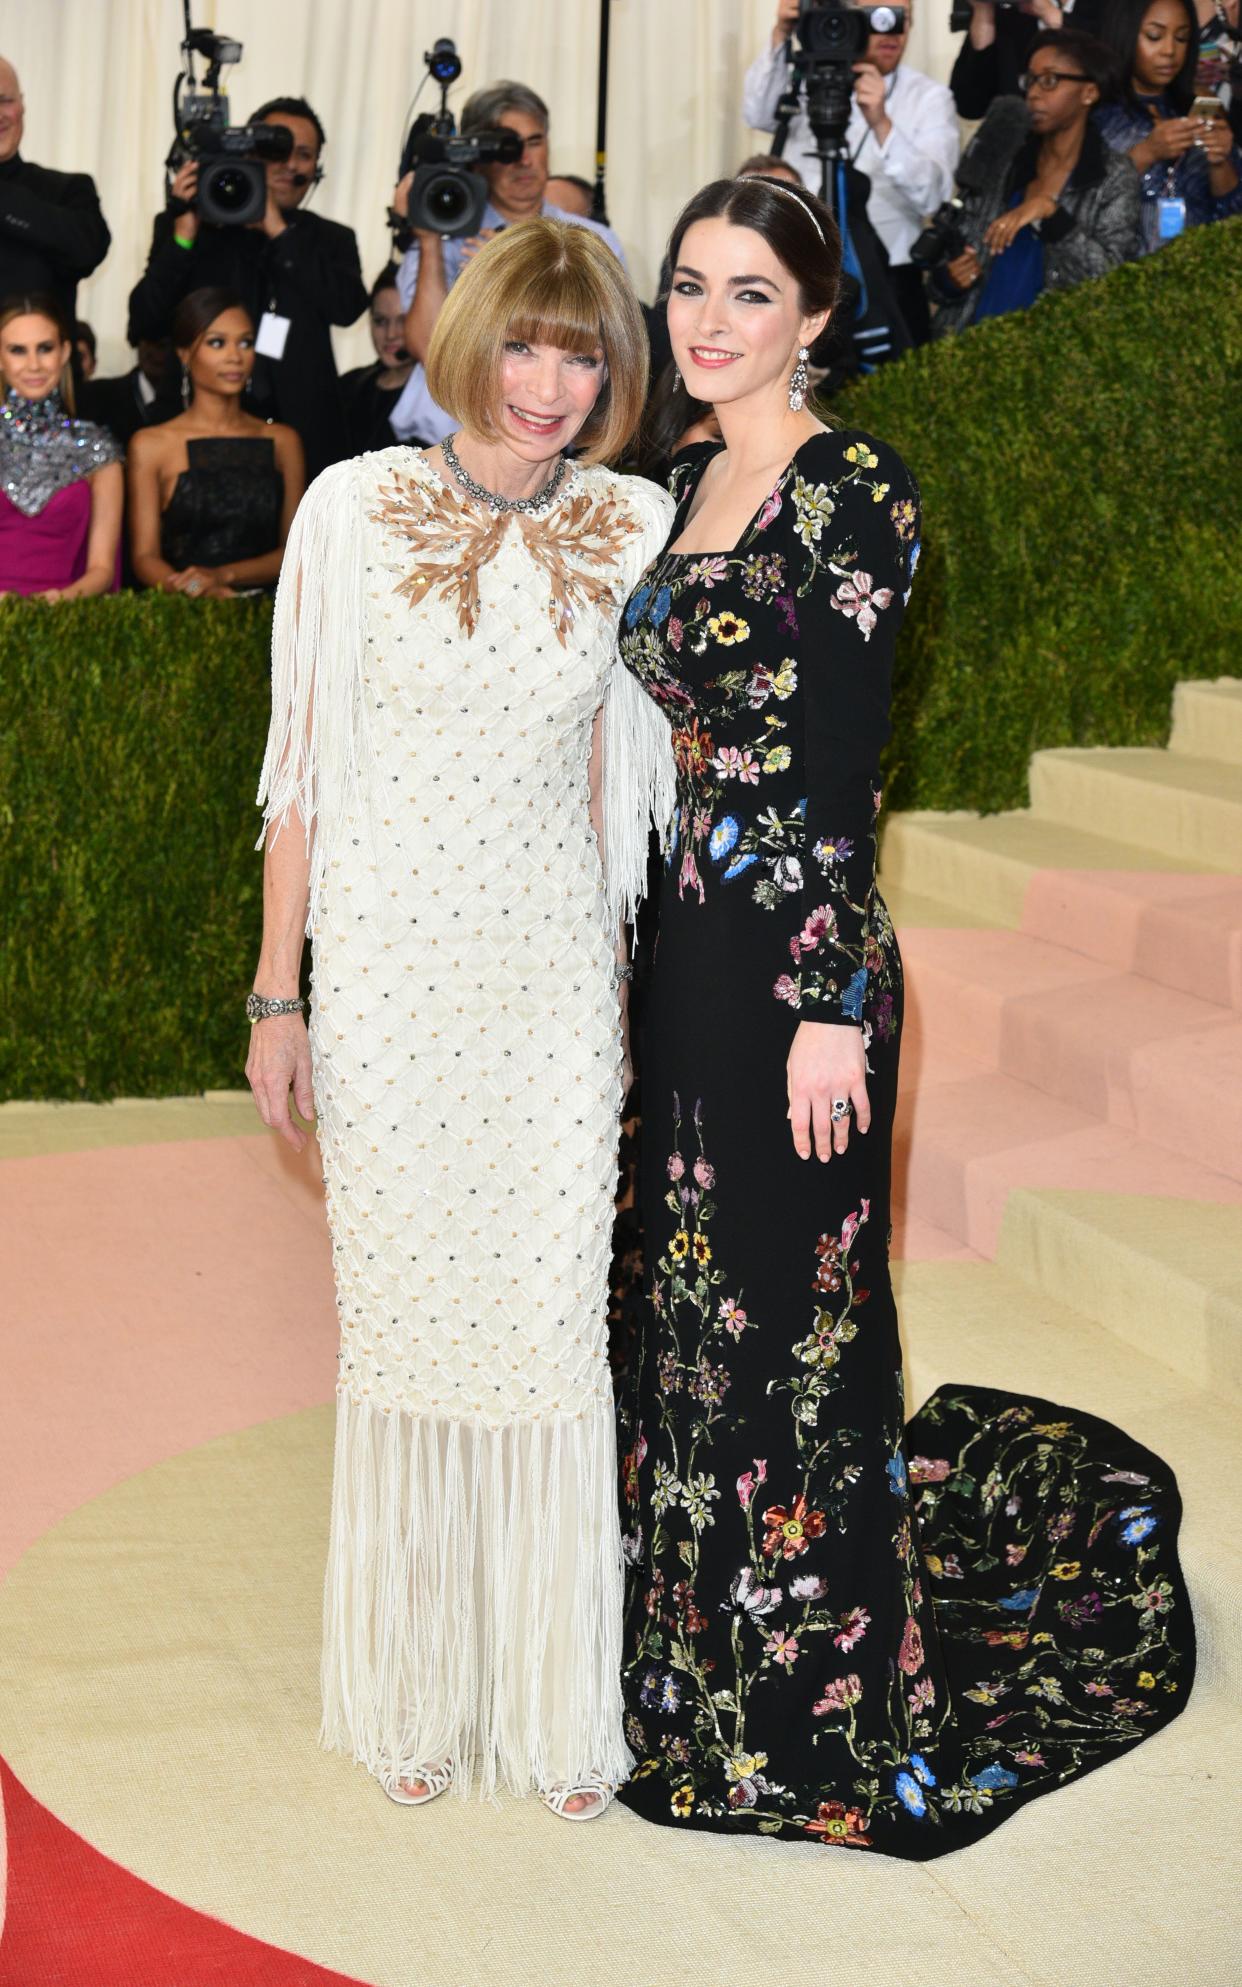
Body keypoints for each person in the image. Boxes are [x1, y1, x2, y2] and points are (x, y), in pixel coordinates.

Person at [613, 173, 1193, 1850]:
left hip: (793, 967)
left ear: (811, 319)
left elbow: (836, 762)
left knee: (794, 1330)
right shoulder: (669, 483)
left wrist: (826, 1008)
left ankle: (802, 1708)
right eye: (689, 288)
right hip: (672, 949)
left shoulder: (855, 485)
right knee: (687, 1320)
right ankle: (686, 1674)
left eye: (746, 295)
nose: (708, 321)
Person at [245, 218, 676, 1820]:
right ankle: (414, 1685)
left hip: (554, 983)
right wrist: (278, 990)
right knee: (411, 1329)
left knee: (552, 1333)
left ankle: (556, 1698)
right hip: (390, 982)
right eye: (527, 344)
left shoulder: (633, 523)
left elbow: (619, 790)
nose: (554, 381)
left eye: (584, 352)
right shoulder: (352, 509)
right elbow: (306, 774)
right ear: (470, 341)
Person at [126, 94, 367, 479]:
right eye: (278, 150)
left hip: (306, 436)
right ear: (246, 153)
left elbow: (347, 307)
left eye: (304, 155)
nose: (290, 165)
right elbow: (144, 322)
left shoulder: (329, 239)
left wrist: (278, 230)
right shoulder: (191, 228)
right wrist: (182, 235)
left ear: (317, 167)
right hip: (198, 436)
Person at [388, 82, 626, 447]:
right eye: (506, 147)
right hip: (441, 447)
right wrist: (430, 237)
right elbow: (428, 348)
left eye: (534, 142)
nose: (523, 160)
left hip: (551, 448)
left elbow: (607, 355)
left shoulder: (594, 241)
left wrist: (511, 274)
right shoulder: (442, 236)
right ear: (477, 156)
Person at [742, 0, 960, 343]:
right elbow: (758, 113)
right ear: (848, 19)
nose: (892, 31)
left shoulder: (930, 98)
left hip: (890, 280)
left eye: (901, 19)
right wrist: (783, 33)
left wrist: (882, 123)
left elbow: (935, 196)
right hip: (800, 268)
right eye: (876, 16)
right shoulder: (808, 78)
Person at [931, 32, 1142, 334]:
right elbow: (942, 276)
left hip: (1049, 356)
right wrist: (949, 281)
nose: (1033, 93)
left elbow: (1113, 281)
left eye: (1050, 81)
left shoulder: (1112, 177)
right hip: (970, 349)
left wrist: (1051, 215)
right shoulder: (1003, 158)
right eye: (1030, 80)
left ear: (1089, 93)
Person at [128, 289, 303, 599]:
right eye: (217, 342)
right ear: (184, 353)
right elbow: (144, 557)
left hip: (270, 615)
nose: (235, 356)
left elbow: (295, 551)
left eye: (245, 343)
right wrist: (198, 590)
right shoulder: (151, 444)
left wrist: (223, 576)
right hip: (183, 614)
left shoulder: (282, 441)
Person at [0, 292, 122, 597]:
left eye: (45, 348)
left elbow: (103, 570)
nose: (34, 364)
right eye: (18, 350)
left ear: (65, 352)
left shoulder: (98, 449)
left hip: (63, 623)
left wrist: (60, 601)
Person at [1095, 0, 1242, 245]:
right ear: (1125, 32)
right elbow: (1079, 207)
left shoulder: (1202, 104)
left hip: (1197, 270)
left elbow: (1232, 217)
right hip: (1119, 276)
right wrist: (1146, 153)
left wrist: (1220, 163)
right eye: (1154, 36)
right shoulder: (1095, 113)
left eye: (1182, 38)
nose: (1169, 51)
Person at [0, 58, 110, 326]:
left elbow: (87, 252)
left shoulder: (67, 190)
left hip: (42, 366)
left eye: (4, 100)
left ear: (22, 105)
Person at [951, 0, 1106, 118]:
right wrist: (983, 13)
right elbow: (969, 106)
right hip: (1021, 147)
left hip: (1096, 142)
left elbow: (1113, 76)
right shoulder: (1012, 12)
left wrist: (1050, 15)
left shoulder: (1109, 7)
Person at [338, 266, 413, 456]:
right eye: (380, 321)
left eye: (402, 321)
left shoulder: (437, 398)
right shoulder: (348, 386)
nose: (390, 334)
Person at [79, 336, 177, 449]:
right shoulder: (95, 395)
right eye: (150, 341)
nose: (158, 354)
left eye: (165, 345)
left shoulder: (187, 402)